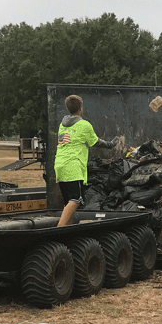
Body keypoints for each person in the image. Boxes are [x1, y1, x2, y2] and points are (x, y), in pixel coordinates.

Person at [54, 95, 116, 227]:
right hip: (73, 166)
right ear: (80, 108)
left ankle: (66, 233)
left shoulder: (62, 125)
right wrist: (110, 144)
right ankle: (58, 230)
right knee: (76, 200)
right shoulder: (84, 125)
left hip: (60, 165)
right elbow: (96, 142)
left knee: (68, 204)